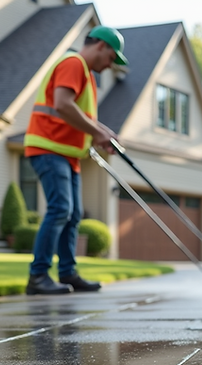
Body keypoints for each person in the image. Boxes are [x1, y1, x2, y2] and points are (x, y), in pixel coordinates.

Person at [22, 26, 127, 295]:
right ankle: (38, 276)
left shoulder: (87, 76)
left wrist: (103, 133)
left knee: (73, 215)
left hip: (68, 154)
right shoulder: (74, 63)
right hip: (49, 147)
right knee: (60, 209)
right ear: (101, 46)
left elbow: (80, 117)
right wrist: (98, 132)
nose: (110, 64)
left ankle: (68, 272)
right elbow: (63, 104)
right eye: (112, 57)